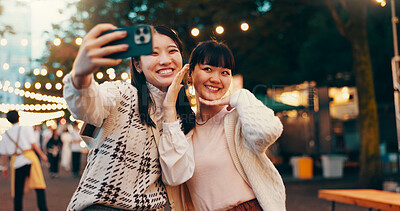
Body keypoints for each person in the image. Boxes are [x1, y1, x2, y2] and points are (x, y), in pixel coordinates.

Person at [63, 23, 194, 210]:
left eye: (172, 51)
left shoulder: (184, 118)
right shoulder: (122, 93)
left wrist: (170, 111)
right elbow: (86, 108)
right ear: (137, 65)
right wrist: (80, 74)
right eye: (153, 53)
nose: (165, 60)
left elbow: (176, 176)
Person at [159, 40, 286, 210]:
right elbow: (173, 177)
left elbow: (269, 132)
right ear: (189, 75)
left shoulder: (237, 117)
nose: (216, 79)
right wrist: (168, 108)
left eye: (224, 72)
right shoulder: (183, 130)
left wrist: (239, 97)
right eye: (207, 69)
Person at [0, 110, 49, 211]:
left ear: (8, 120)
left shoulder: (5, 135)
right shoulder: (26, 128)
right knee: (39, 187)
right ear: (19, 117)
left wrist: (4, 168)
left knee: (18, 192)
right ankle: (43, 209)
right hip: (30, 159)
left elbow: (3, 154)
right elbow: (33, 144)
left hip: (16, 162)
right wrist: (42, 155)